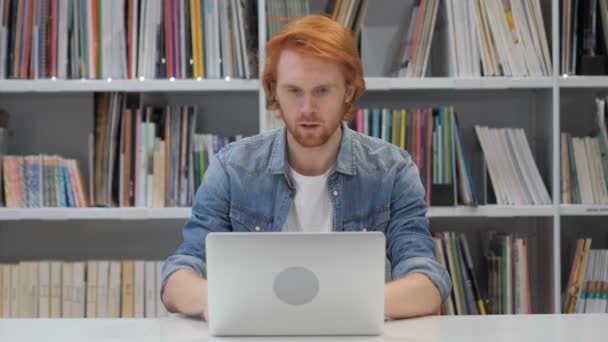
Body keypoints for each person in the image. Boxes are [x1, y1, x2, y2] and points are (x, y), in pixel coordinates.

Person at [160, 14, 451, 320]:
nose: (307, 108)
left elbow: (427, 283)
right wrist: (232, 301)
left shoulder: (393, 170)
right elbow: (179, 276)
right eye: (294, 91)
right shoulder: (232, 169)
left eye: (322, 91)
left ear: (349, 91)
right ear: (274, 91)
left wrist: (327, 306)